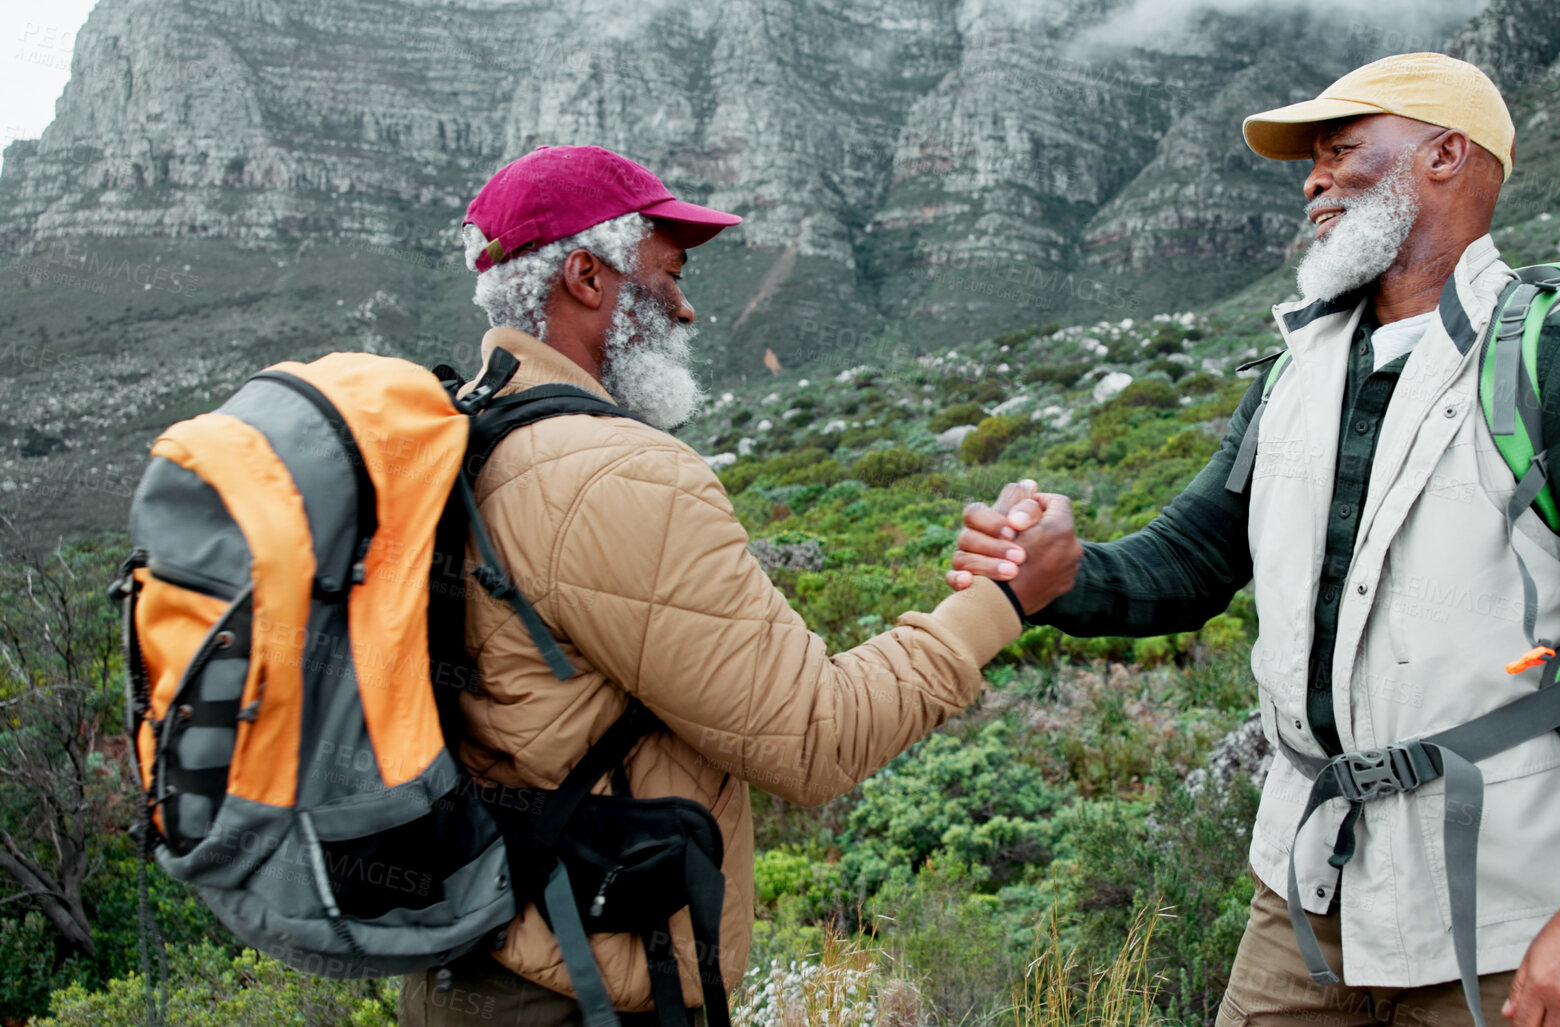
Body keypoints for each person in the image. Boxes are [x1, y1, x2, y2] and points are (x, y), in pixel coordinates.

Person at [949, 54, 1560, 1027]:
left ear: (1447, 156)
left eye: (1341, 151)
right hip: (1303, 900)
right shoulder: (1297, 369)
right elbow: (1190, 562)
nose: (1312, 181)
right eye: (1314, 160)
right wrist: (1061, 573)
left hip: (1507, 916)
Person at [397, 145, 1080, 1026]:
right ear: (584, 277)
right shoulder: (616, 475)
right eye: (668, 274)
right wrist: (1006, 597)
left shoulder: (461, 430)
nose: (687, 306)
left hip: (472, 960)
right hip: (578, 992)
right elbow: (813, 738)